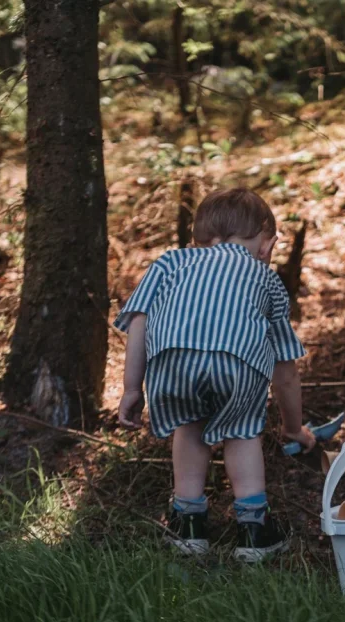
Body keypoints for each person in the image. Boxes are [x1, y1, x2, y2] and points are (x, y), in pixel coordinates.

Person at [115, 187, 315, 562]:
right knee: (242, 433)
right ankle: (255, 534)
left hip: (172, 364)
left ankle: (188, 526)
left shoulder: (169, 263)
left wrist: (132, 388)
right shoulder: (266, 280)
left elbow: (139, 321)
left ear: (197, 238)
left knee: (189, 428)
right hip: (236, 365)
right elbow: (285, 370)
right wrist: (293, 427)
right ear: (265, 245)